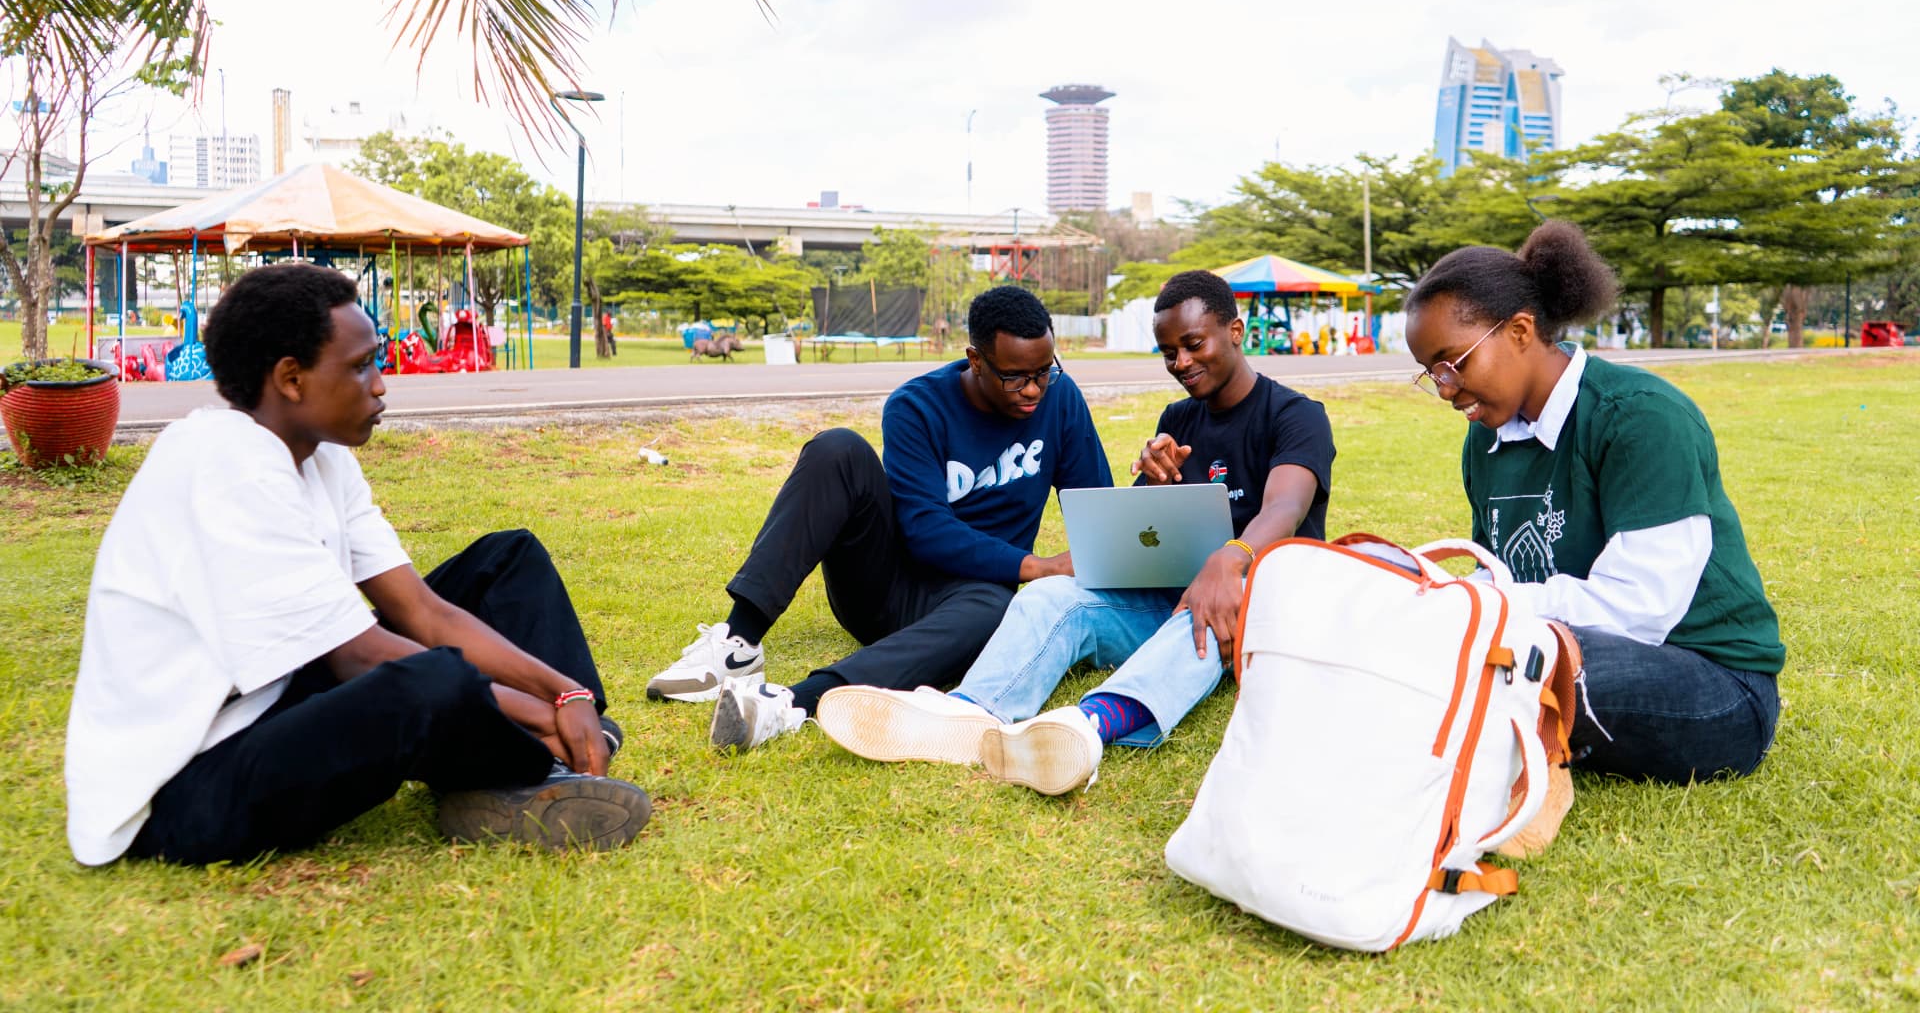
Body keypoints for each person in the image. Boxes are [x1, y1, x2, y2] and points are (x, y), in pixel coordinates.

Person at [64, 263, 651, 867]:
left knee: (507, 561)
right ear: (291, 378)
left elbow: (419, 609)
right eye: (361, 365)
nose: (380, 385)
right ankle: (537, 763)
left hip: (273, 701)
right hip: (183, 791)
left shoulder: (320, 455)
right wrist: (539, 709)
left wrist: (566, 691)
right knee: (430, 683)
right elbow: (359, 655)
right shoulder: (221, 462)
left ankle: (539, 765)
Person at [815, 270, 1336, 795]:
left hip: (1253, 605)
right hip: (1169, 600)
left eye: (1193, 344)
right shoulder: (1179, 418)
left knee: (1207, 611)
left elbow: (1284, 509)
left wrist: (1230, 560)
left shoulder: (1296, 415)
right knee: (1049, 595)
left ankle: (1085, 729)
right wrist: (1149, 486)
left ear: (1236, 331)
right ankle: (970, 715)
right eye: (1168, 352)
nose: (1181, 363)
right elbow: (1143, 536)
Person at [646, 286, 1113, 752]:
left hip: (972, 603)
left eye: (1043, 372)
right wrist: (1039, 567)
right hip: (884, 587)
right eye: (1014, 377)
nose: (1032, 389)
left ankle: (794, 704)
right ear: (975, 359)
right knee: (838, 449)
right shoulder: (917, 406)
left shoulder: (1060, 399)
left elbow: (1098, 508)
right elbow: (926, 529)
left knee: (1000, 611)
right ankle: (738, 643)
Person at [1403, 221, 1785, 788]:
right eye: (1430, 372)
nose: (1443, 388)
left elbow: (1640, 609)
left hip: (1714, 685)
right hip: (1563, 647)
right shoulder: (1484, 440)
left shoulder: (1640, 416)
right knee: (1441, 649)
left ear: (1520, 331)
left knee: (1507, 668)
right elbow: (1501, 576)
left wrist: (1483, 606)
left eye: (1452, 362)